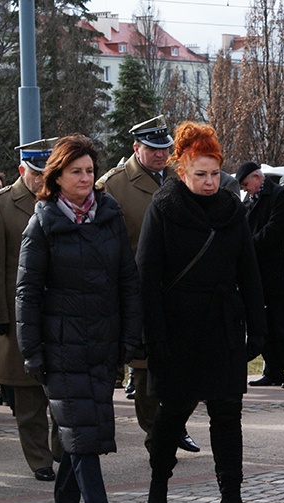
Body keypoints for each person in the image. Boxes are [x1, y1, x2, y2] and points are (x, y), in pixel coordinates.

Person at [138, 122, 265, 503]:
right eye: (201, 175)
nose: (210, 182)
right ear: (181, 172)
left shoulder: (232, 210)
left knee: (227, 415)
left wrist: (258, 327)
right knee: (173, 412)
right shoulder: (163, 208)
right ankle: (159, 481)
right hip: (178, 328)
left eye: (215, 174)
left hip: (224, 325)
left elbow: (249, 271)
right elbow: (147, 279)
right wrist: (153, 337)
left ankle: (231, 498)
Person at [16, 134, 141, 503]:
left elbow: (128, 280)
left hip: (103, 342)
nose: (86, 178)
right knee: (83, 433)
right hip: (60, 345)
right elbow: (27, 293)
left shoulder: (108, 215)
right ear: (57, 176)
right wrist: (30, 348)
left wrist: (130, 334)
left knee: (80, 429)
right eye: (76, 171)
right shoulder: (43, 224)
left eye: (89, 170)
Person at [95, 115, 200, 455]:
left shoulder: (179, 176)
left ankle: (173, 425)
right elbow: (105, 244)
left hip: (181, 288)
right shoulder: (113, 185)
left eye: (165, 148)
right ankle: (158, 432)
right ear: (136, 148)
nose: (161, 155)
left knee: (184, 362)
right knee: (146, 370)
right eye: (153, 149)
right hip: (138, 289)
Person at [0, 138, 59, 482]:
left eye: (47, 172)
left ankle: (62, 449)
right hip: (19, 313)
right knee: (28, 396)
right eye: (35, 172)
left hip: (60, 310)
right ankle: (39, 460)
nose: (42, 180)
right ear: (21, 169)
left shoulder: (63, 198)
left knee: (61, 390)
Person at [236, 161, 284, 389]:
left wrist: (247, 247)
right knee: (263, 325)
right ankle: (273, 370)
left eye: (245, 184)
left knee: (281, 324)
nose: (244, 189)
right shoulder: (250, 200)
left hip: (276, 273)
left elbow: (276, 229)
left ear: (257, 178)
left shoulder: (280, 196)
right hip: (258, 273)